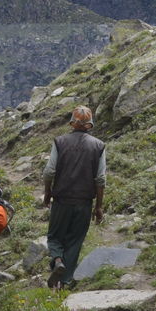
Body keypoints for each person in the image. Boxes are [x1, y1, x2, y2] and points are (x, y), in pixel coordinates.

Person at [42, 105, 106, 289]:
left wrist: (48, 191)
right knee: (75, 240)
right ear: (90, 124)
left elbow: (49, 171)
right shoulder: (99, 146)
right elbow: (101, 179)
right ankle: (65, 281)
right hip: (84, 202)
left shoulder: (59, 142)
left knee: (54, 237)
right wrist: (98, 206)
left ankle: (57, 260)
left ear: (72, 123)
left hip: (62, 200)